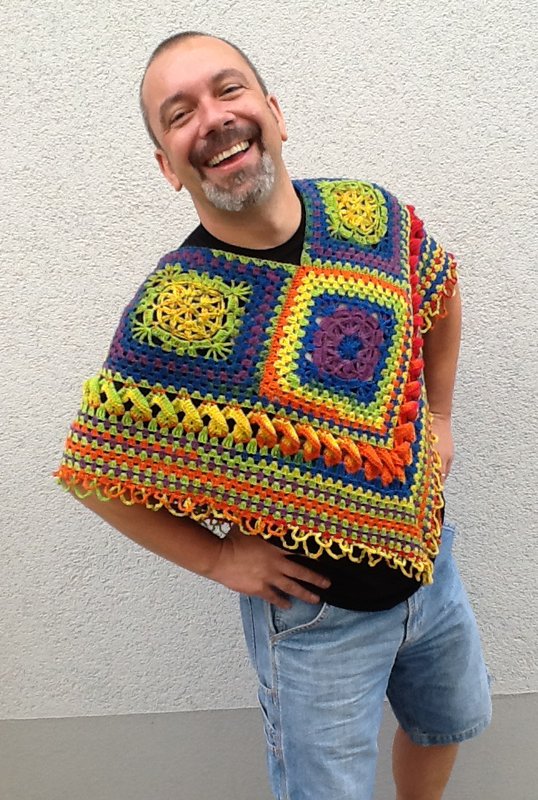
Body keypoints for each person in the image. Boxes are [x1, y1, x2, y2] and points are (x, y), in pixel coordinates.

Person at [57, 31, 491, 800]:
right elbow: (94, 474)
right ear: (167, 166)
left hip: (431, 561)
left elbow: (440, 288)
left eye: (229, 89)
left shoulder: (369, 217)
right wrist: (218, 560)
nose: (213, 118)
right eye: (180, 113)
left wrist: (441, 416)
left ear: (275, 112)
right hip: (315, 621)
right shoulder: (176, 311)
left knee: (447, 724)